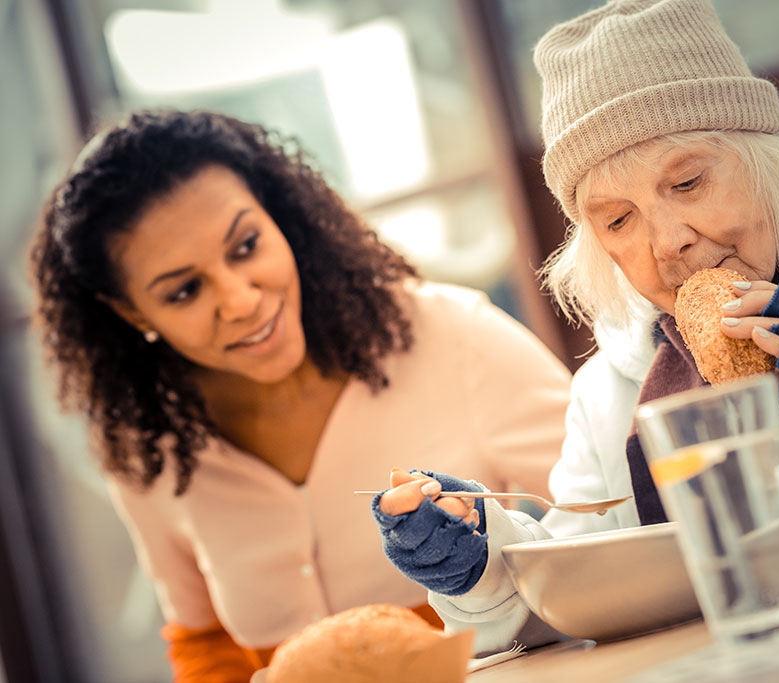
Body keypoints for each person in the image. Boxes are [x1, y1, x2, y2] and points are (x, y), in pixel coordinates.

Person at [371, 0, 779, 656]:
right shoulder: (610, 389)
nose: (669, 242)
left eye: (687, 181)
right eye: (619, 220)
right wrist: (483, 565)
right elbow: (585, 597)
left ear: (764, 158)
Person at [30, 109, 571, 680]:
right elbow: (206, 644)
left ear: (279, 217)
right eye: (186, 290)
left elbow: (609, 512)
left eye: (245, 246)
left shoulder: (452, 336)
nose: (239, 301)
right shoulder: (148, 449)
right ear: (131, 312)